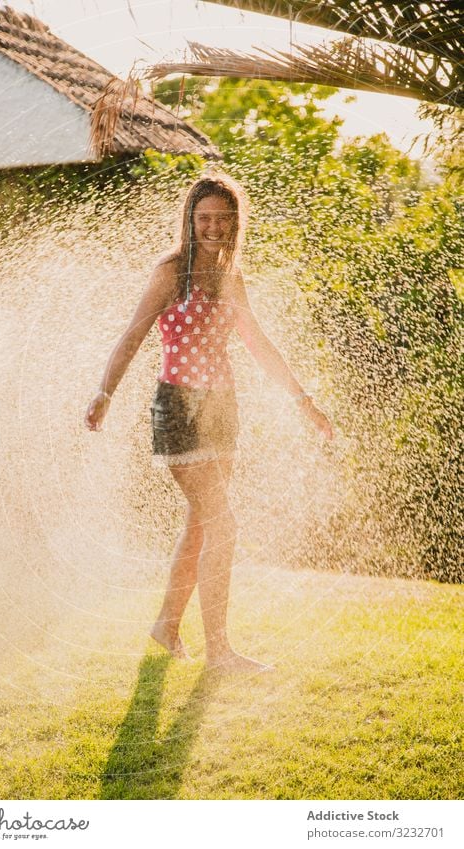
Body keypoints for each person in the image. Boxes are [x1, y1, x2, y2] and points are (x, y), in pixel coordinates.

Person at [85, 173, 333, 673]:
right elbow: (133, 335)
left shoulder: (231, 277)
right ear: (190, 220)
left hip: (223, 409)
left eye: (223, 217)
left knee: (201, 524)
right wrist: (104, 392)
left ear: (235, 222)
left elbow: (259, 344)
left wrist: (304, 401)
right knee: (223, 525)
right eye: (205, 218)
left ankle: (166, 625)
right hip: (177, 406)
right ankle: (219, 651)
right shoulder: (171, 272)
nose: (214, 226)